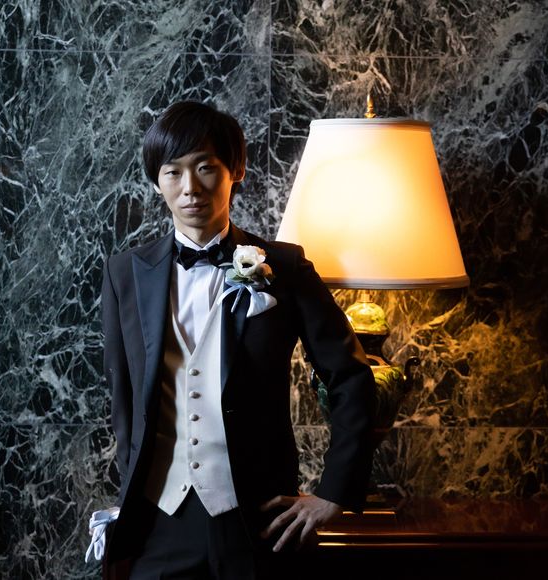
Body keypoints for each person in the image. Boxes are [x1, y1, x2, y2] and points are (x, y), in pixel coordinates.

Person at [100, 101, 376, 579]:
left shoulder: (285, 268)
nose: (190, 187)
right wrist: (130, 497)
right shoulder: (124, 273)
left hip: (259, 523)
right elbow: (123, 399)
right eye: (173, 172)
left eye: (206, 167)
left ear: (237, 170)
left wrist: (334, 491)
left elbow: (351, 376)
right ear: (157, 181)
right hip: (159, 524)